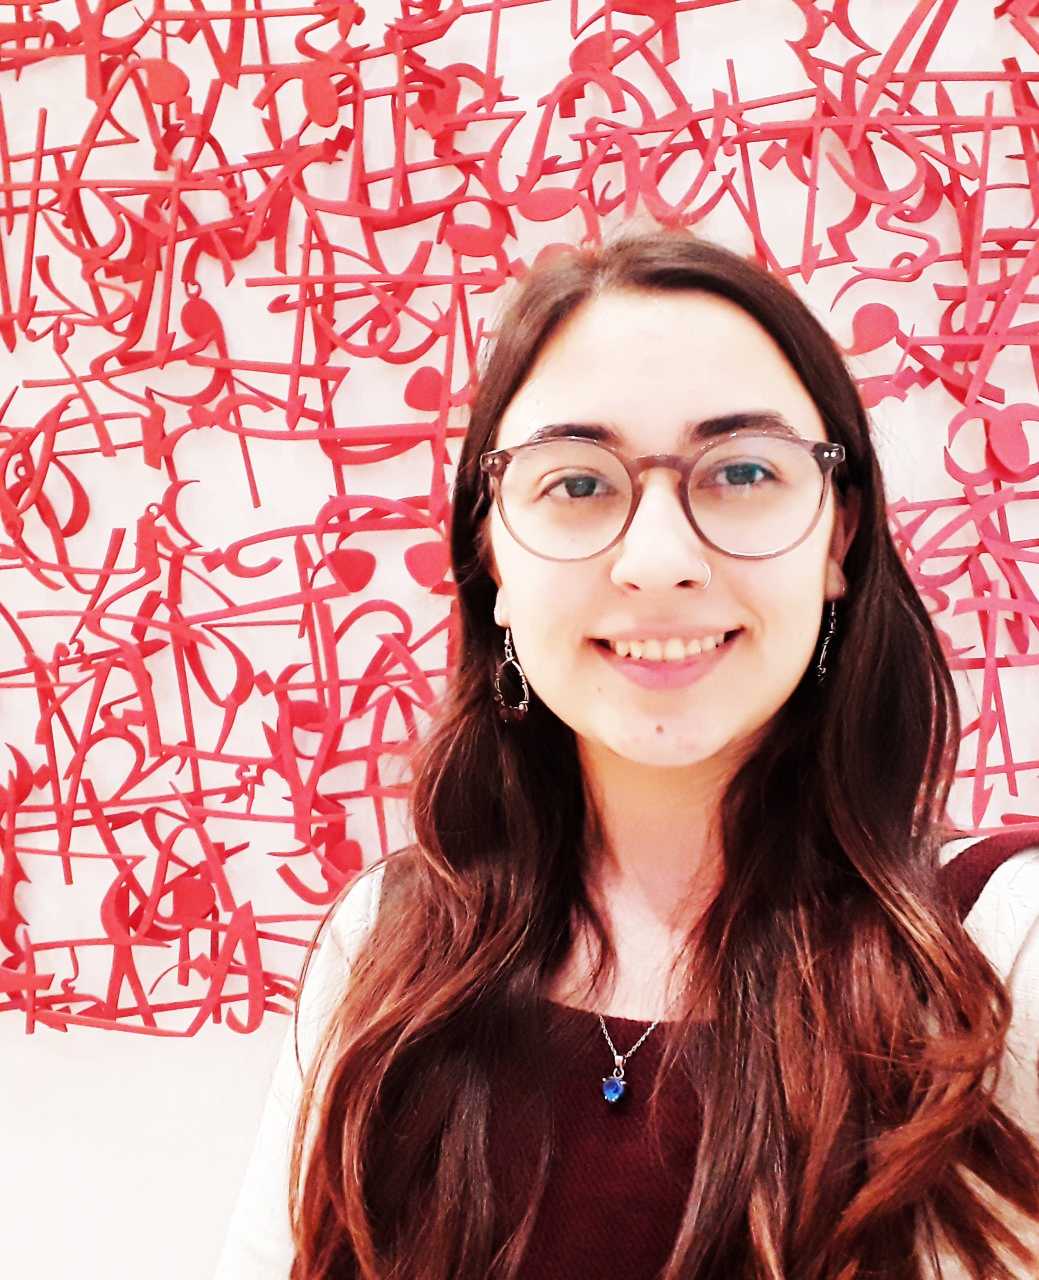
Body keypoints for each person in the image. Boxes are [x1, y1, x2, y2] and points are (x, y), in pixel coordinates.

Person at [214, 229, 1039, 1279]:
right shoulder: (385, 943)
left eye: (742, 471)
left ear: (838, 537)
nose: (658, 561)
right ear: (490, 553)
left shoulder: (996, 952)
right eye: (576, 484)